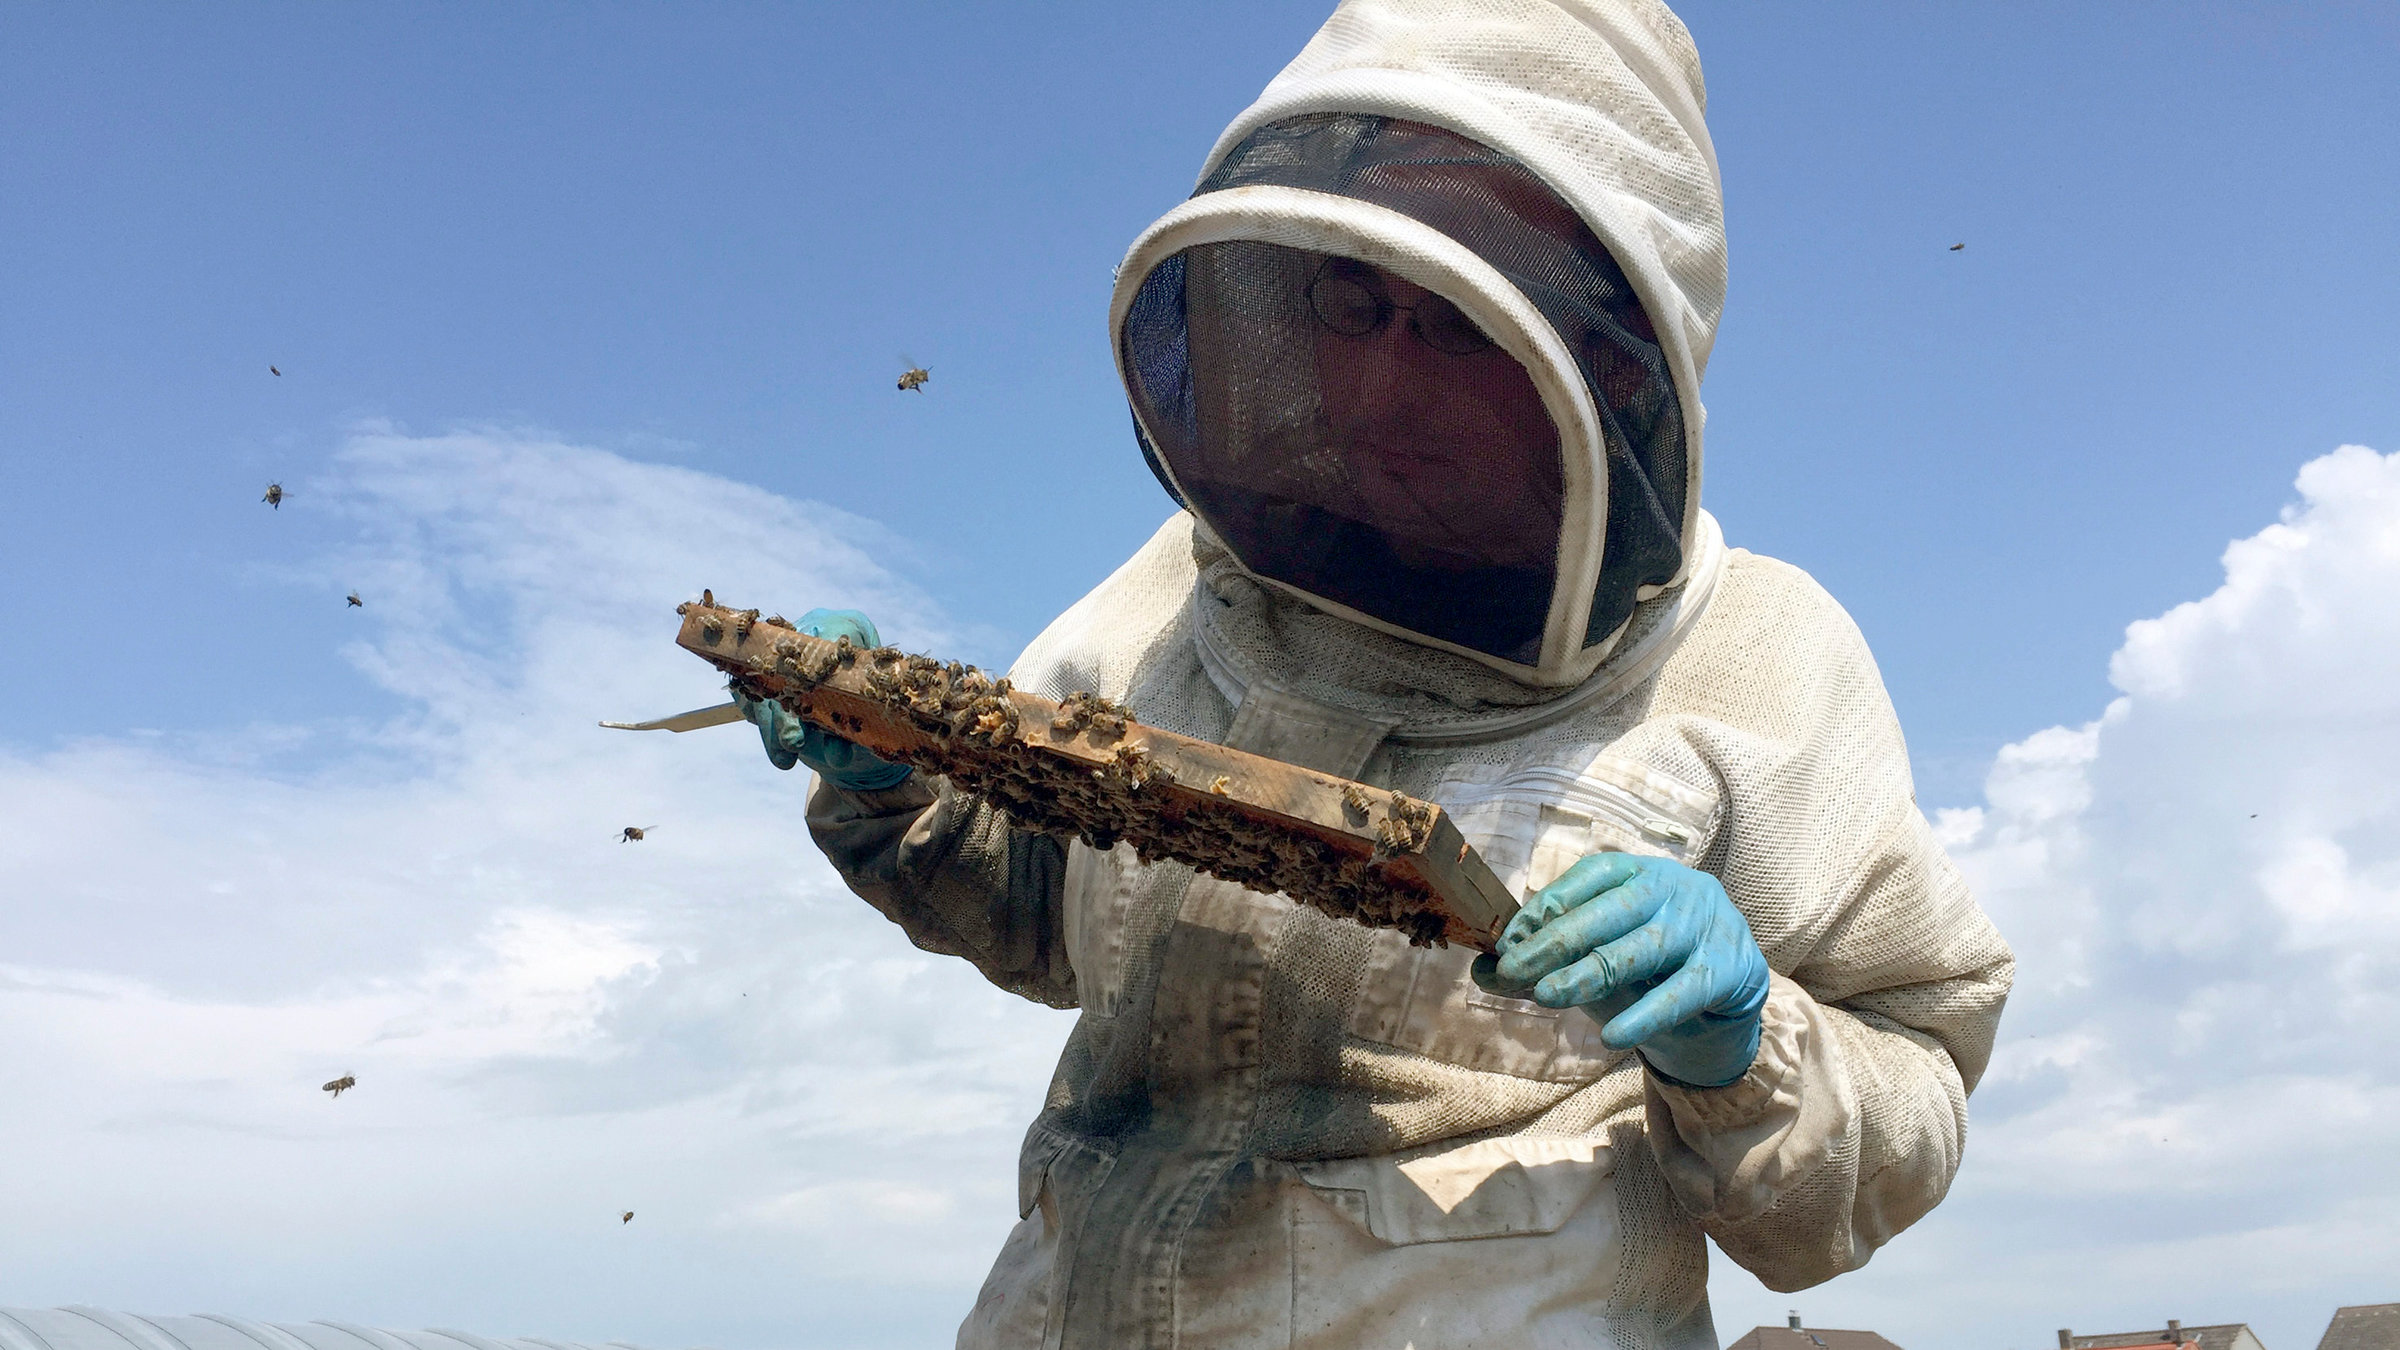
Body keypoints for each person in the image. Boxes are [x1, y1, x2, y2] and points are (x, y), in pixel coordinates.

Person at [737, 2, 2014, 1346]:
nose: (1386, 384)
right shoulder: (1173, 591)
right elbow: (1047, 914)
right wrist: (901, 785)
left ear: (1605, 358)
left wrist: (1747, 1048)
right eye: (1356, 305)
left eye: (1464, 325)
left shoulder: (1755, 652)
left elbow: (1909, 1093)